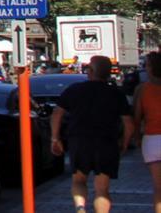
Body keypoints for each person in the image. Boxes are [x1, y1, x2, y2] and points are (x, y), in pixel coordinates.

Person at [51, 54, 137, 213]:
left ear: (90, 71)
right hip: (106, 142)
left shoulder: (75, 90)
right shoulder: (116, 93)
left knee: (78, 180)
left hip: (79, 140)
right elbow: (128, 123)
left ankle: (80, 207)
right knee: (102, 189)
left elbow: (57, 113)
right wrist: (125, 143)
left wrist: (55, 138)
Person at [134, 51, 161, 213]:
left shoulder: (142, 89)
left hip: (151, 140)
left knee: (158, 187)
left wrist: (137, 137)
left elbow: (137, 117)